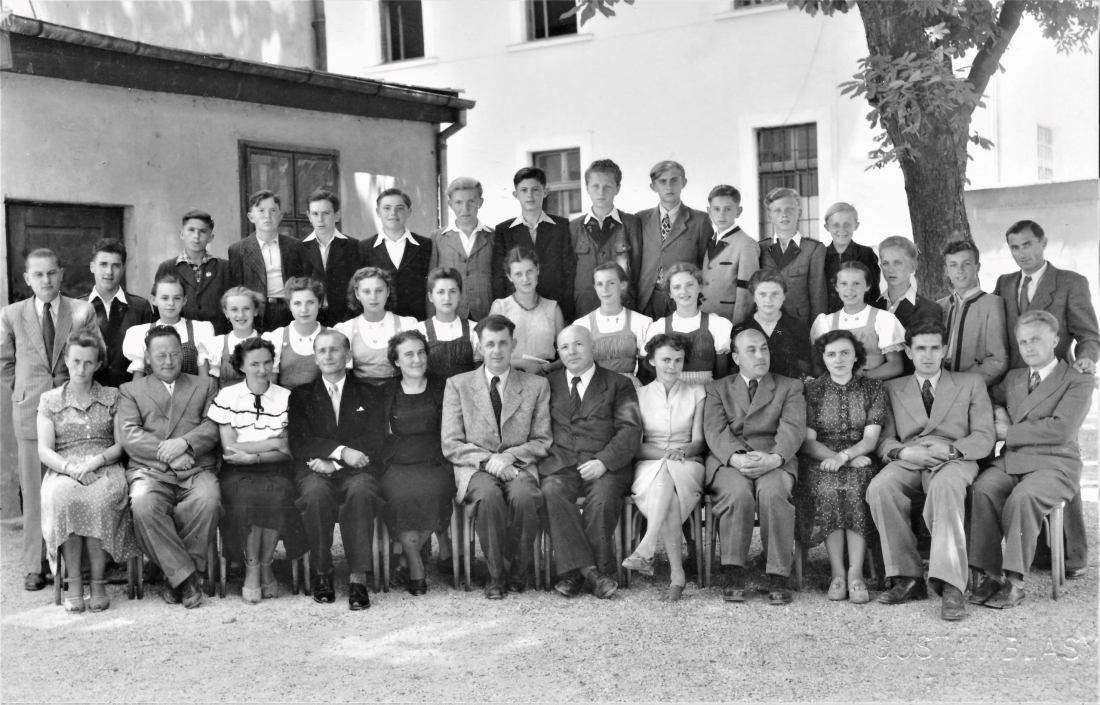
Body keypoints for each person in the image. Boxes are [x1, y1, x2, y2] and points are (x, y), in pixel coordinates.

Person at [867, 319, 995, 621]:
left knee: (945, 488)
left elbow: (985, 436)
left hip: (954, 459)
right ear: (909, 352)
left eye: (934, 348)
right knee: (880, 488)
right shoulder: (891, 388)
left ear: (944, 350)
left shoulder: (970, 383)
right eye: (920, 348)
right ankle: (907, 577)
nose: (927, 355)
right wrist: (903, 450)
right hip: (910, 457)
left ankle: (951, 585)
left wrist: (952, 450)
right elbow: (884, 439)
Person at [994, 219, 1099, 579]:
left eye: (1027, 245)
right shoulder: (1006, 284)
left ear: (1043, 242)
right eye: (1014, 247)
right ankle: (1036, 555)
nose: (1022, 253)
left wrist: (1086, 358)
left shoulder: (1070, 282)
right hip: (1018, 383)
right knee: (1024, 464)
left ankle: (1072, 555)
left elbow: (1089, 333)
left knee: (1056, 457)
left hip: (1057, 380)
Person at [968, 311, 1093, 609]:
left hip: (1056, 464)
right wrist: (996, 413)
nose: (1029, 347)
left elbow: (1061, 429)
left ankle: (1015, 581)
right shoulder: (1013, 378)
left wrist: (1009, 431)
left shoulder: (1078, 381)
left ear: (1055, 339)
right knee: (981, 489)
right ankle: (990, 574)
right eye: (1023, 342)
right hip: (1014, 460)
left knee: (1023, 497)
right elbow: (989, 400)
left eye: (1036, 339)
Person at [1, 248, 99, 591]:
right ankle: (36, 564)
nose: (46, 280)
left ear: (62, 274)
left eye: (52, 273)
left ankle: (74, 565)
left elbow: (95, 351)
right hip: (30, 411)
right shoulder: (11, 314)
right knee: (34, 490)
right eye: (38, 275)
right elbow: (4, 363)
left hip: (75, 409)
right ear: (28, 278)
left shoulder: (81, 310)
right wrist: (28, 393)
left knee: (73, 485)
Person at [441, 315, 553, 598]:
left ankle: (517, 569)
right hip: (475, 466)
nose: (497, 350)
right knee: (488, 497)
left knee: (526, 497)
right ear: (480, 347)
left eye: (503, 343)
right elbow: (451, 442)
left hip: (518, 465)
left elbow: (542, 439)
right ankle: (495, 576)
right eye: (489, 344)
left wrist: (510, 457)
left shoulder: (535, 385)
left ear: (513, 344)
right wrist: (488, 461)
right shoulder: (458, 384)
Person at [118, 325, 222, 609]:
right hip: (150, 471)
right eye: (160, 355)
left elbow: (213, 426)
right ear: (148, 358)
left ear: (182, 354)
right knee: (142, 504)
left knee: (209, 499)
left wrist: (184, 444)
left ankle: (171, 574)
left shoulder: (205, 385)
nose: (168, 361)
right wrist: (171, 455)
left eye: (174, 354)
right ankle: (187, 578)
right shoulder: (130, 390)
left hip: (196, 468)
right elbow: (130, 435)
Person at [37, 331, 139, 612]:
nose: (81, 368)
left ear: (97, 364)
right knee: (63, 498)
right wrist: (71, 469)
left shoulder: (112, 396)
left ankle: (97, 582)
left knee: (100, 499)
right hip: (64, 469)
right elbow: (44, 450)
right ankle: (73, 582)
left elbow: (122, 444)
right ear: (67, 361)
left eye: (88, 362)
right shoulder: (50, 400)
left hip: (104, 466)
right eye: (76, 361)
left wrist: (94, 463)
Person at [704, 327, 806, 605]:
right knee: (736, 493)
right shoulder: (718, 388)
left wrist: (775, 458)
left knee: (773, 493)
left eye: (764, 348)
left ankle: (778, 574)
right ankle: (734, 571)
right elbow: (714, 430)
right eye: (751, 350)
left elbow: (793, 430)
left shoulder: (790, 386)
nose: (760, 355)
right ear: (736, 357)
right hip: (730, 459)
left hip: (774, 456)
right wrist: (735, 457)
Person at [539, 326, 643, 599]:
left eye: (578, 345)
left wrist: (604, 462)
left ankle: (573, 573)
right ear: (558, 352)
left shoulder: (619, 383)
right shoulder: (547, 383)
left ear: (593, 347)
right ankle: (592, 573)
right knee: (551, 491)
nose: (571, 352)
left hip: (606, 465)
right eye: (564, 347)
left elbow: (630, 431)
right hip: (561, 463)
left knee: (604, 497)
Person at [288, 330, 387, 610]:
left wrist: (336, 462)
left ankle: (357, 577)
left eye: (335, 350)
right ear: (316, 358)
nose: (328, 356)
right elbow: (300, 441)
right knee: (315, 495)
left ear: (348, 355)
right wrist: (340, 452)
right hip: (314, 468)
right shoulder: (301, 396)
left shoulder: (369, 392)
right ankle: (323, 572)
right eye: (322, 351)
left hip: (358, 469)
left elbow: (375, 438)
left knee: (361, 492)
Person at [208, 337, 306, 603]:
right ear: (241, 366)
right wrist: (273, 442)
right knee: (248, 498)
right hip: (237, 472)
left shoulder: (286, 397)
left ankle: (265, 563)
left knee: (277, 496)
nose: (262, 369)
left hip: (276, 470)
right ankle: (252, 567)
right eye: (254, 364)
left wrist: (254, 454)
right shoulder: (227, 396)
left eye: (266, 362)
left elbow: (289, 448)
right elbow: (230, 450)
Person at [795, 330, 888, 605]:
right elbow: (808, 442)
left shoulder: (873, 388)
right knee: (828, 487)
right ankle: (837, 572)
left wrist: (845, 456)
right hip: (820, 459)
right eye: (831, 354)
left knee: (858, 485)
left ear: (856, 355)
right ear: (823, 358)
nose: (838, 359)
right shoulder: (811, 390)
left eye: (845, 353)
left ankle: (856, 573)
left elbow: (870, 439)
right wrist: (835, 457)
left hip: (859, 457)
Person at [622, 333, 705, 602]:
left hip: (688, 464)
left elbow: (699, 442)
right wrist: (665, 454)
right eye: (666, 359)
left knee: (668, 471)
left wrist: (678, 453)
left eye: (678, 360)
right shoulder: (638, 395)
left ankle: (647, 546)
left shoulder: (697, 392)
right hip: (649, 465)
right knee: (666, 481)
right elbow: (637, 445)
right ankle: (677, 575)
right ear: (652, 361)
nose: (672, 366)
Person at [379, 331, 453, 596]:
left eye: (421, 352)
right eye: (409, 354)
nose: (417, 359)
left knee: (435, 493)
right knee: (398, 496)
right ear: (396, 361)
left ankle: (406, 560)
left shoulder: (444, 385)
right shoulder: (386, 391)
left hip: (436, 460)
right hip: (397, 462)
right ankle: (414, 560)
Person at [492, 167, 576, 322]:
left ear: (545, 192)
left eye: (535, 189)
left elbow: (569, 273)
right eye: (523, 190)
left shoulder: (561, 226)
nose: (529, 195)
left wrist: (565, 312)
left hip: (555, 307)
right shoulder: (504, 230)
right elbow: (499, 277)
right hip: (517, 309)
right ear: (515, 194)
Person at [635, 160, 712, 319]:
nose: (669, 186)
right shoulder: (640, 219)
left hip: (684, 298)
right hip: (649, 297)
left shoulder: (699, 220)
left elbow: (705, 264)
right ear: (653, 186)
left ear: (683, 182)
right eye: (662, 182)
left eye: (674, 180)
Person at [227, 189, 313, 331]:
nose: (267, 216)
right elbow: (237, 288)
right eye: (261, 211)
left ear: (280, 216)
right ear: (251, 217)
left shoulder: (296, 246)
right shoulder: (238, 250)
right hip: (257, 313)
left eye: (273, 210)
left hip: (290, 310)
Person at [570, 159, 643, 317]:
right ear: (587, 188)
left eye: (607, 186)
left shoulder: (630, 224)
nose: (601, 192)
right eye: (595, 186)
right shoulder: (574, 227)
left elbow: (636, 269)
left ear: (617, 188)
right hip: (585, 309)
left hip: (623, 308)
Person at [810, 261, 906, 380]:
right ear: (836, 287)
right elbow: (818, 367)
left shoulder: (883, 319)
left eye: (856, 283)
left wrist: (860, 377)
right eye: (844, 283)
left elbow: (896, 366)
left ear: (867, 286)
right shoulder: (826, 322)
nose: (849, 289)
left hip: (872, 386)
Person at [643, 262, 733, 385]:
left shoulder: (716, 324)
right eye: (676, 287)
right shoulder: (659, 327)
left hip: (707, 392)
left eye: (690, 285)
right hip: (671, 393)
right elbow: (654, 372)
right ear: (670, 293)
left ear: (700, 287)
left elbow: (722, 373)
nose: (684, 291)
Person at [936, 239, 1008, 386]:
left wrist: (962, 383)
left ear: (977, 267)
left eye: (966, 264)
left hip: (972, 384)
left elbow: (998, 360)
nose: (960, 270)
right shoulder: (940, 306)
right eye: (953, 265)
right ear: (946, 271)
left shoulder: (992, 303)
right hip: (939, 383)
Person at [85, 238, 154, 388]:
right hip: (89, 394)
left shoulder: (141, 307)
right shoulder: (78, 306)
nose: (109, 272)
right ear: (92, 267)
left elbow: (150, 357)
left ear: (123, 269)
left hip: (131, 393)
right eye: (103, 264)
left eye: (115, 265)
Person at [356, 188, 433, 321]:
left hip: (417, 319)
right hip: (380, 321)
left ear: (409, 211)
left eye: (400, 208)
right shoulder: (364, 247)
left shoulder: (425, 245)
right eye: (387, 208)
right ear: (378, 212)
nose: (393, 213)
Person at [121, 273, 215, 380]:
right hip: (154, 395)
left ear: (184, 300)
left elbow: (204, 379)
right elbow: (137, 381)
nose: (171, 303)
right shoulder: (140, 333)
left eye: (177, 298)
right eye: (165, 298)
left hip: (191, 394)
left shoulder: (200, 330)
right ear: (153, 300)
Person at [334, 267, 418, 386]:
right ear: (357, 294)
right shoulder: (346, 329)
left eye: (379, 290)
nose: (373, 297)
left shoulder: (407, 325)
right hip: (361, 394)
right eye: (366, 292)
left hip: (398, 393)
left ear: (387, 292)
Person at [155, 209, 234, 335]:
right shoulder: (168, 267)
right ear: (182, 234)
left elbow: (233, 306)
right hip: (179, 338)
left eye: (202, 231)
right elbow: (157, 309)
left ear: (210, 237)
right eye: (191, 230)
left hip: (217, 337)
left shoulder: (224, 267)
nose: (196, 236)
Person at [757, 187, 827, 328]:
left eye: (790, 209)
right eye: (777, 210)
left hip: (801, 325)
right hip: (767, 325)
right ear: (770, 215)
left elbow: (818, 296)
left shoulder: (813, 249)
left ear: (799, 213)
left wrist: (817, 334)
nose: (784, 215)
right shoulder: (760, 248)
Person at [428, 177, 496, 322]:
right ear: (450, 204)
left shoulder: (494, 236)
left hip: (486, 313)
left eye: (471, 201)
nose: (465, 209)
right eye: (458, 202)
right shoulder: (437, 237)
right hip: (450, 315)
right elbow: (431, 281)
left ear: (480, 202)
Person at [489, 247, 565, 376]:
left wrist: (549, 367)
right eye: (518, 274)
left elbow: (566, 353)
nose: (525, 279)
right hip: (511, 376)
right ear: (509, 276)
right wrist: (523, 364)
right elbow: (489, 353)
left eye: (529, 271)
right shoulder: (500, 308)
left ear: (538, 270)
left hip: (547, 376)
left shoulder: (553, 309)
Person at [573, 262, 651, 384]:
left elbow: (646, 367)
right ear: (594, 287)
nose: (605, 289)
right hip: (595, 389)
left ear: (623, 285)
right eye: (599, 284)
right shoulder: (581, 325)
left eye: (611, 283)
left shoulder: (641, 322)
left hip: (629, 389)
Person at [699, 185, 759, 326]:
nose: (721, 214)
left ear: (738, 211)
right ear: (709, 211)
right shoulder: (710, 241)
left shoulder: (746, 244)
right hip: (704, 317)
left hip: (728, 320)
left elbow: (746, 292)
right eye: (716, 209)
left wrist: (738, 326)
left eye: (728, 209)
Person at [301, 189, 360, 327]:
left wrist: (348, 319)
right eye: (315, 214)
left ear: (337, 215)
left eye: (326, 213)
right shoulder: (298, 248)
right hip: (310, 319)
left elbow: (357, 286)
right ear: (309, 216)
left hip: (345, 318)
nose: (320, 219)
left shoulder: (353, 246)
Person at [739, 269, 812, 380]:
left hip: (789, 391)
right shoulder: (742, 329)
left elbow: (804, 368)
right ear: (753, 296)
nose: (769, 300)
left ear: (784, 296)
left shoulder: (798, 328)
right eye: (762, 294)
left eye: (775, 294)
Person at [414, 268, 481, 380]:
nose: (447, 298)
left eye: (453, 291)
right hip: (432, 395)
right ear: (430, 296)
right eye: (440, 292)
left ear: (460, 295)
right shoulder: (419, 330)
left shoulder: (474, 329)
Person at [262, 277, 327, 390]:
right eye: (297, 303)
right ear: (289, 306)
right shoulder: (277, 337)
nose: (304, 309)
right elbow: (270, 387)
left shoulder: (331, 336)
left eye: (310, 302)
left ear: (319, 303)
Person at [822, 203, 881, 314]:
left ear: (856, 225)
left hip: (859, 317)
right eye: (836, 225)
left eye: (847, 225)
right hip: (829, 318)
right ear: (827, 227)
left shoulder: (866, 254)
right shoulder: (820, 255)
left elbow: (874, 292)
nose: (842, 230)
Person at [876, 235, 941, 332]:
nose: (890, 270)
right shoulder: (871, 305)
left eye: (897, 263)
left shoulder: (929, 309)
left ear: (913, 266)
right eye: (886, 263)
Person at [204, 287, 263, 387]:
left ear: (256, 311)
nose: (240, 315)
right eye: (234, 309)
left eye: (246, 308)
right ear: (226, 312)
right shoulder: (218, 344)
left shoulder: (267, 341)